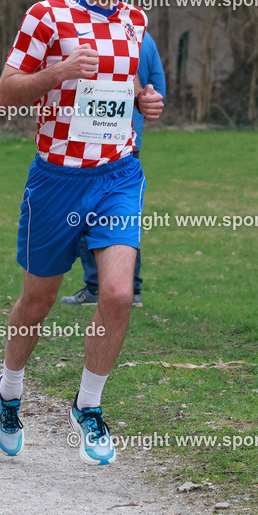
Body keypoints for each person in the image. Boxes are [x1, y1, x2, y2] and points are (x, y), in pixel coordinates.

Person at [0, 0, 164, 466]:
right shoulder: (46, 17)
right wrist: (57, 74)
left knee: (116, 294)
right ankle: (10, 390)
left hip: (117, 176)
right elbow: (7, 92)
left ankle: (88, 406)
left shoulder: (136, 23)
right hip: (57, 179)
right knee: (37, 300)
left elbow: (139, 92)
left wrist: (148, 104)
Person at [61, 30, 165, 308]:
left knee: (88, 216)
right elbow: (158, 86)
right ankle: (133, 290)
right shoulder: (147, 39)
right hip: (130, 143)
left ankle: (96, 288)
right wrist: (148, 102)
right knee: (123, 219)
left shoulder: (89, 33)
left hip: (92, 144)